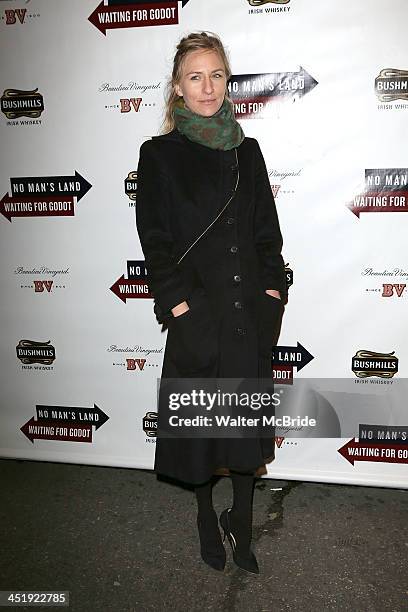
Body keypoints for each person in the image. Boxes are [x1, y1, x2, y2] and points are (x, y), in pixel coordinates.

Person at [136, 31, 287, 574]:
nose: (207, 87)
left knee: (244, 435)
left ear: (228, 81)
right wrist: (178, 306)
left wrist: (273, 291)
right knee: (200, 435)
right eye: (195, 76)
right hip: (197, 316)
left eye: (216, 75)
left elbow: (267, 233)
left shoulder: (249, 151)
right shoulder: (159, 155)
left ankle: (241, 525)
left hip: (248, 315)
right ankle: (205, 515)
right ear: (177, 87)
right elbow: (154, 240)